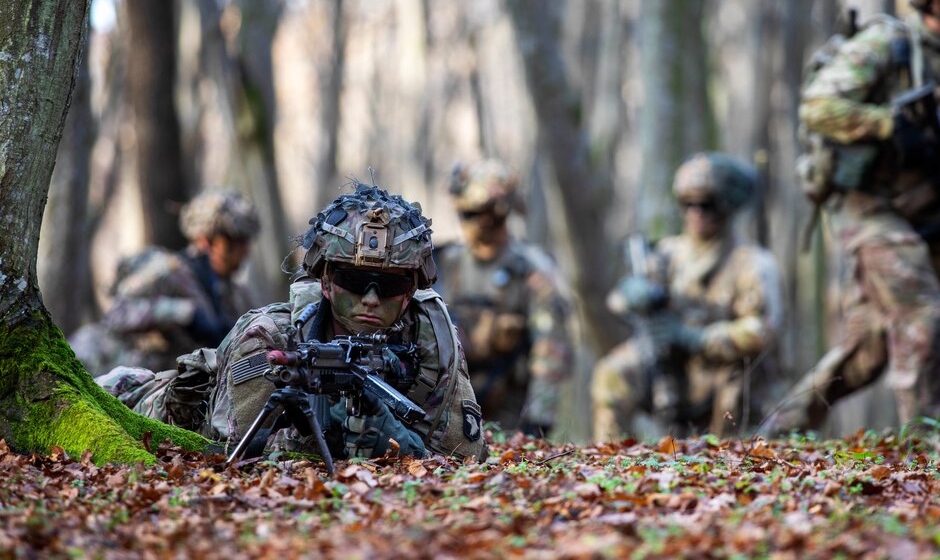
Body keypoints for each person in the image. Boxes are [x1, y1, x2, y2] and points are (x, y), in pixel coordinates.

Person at [765, 0, 940, 434]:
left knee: (869, 350)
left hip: (926, 214)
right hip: (866, 203)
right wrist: (888, 125)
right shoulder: (888, 45)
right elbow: (818, 105)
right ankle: (930, 445)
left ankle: (776, 432)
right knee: (924, 315)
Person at [99, 182, 487, 462]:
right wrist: (336, 427)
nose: (370, 298)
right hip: (158, 406)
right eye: (353, 280)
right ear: (326, 282)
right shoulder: (271, 336)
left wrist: (394, 438)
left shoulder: (433, 340)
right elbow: (236, 453)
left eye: (390, 285)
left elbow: (465, 458)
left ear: (411, 290)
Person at [591, 152, 784, 440]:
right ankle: (609, 464)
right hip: (670, 370)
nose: (696, 213)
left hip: (724, 376)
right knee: (611, 373)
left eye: (706, 205)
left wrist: (696, 338)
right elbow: (618, 301)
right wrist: (632, 294)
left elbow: (761, 330)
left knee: (734, 394)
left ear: (726, 206)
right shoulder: (668, 254)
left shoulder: (752, 263)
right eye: (688, 204)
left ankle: (727, 466)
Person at [434, 160, 572, 437]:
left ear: (499, 213)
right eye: (464, 214)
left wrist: (538, 419)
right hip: (444, 405)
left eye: (475, 213)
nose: (469, 222)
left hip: (508, 410)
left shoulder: (531, 269)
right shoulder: (444, 262)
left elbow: (552, 344)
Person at [71, 187, 261, 375]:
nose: (244, 251)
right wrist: (184, 313)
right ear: (205, 240)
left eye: (245, 242)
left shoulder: (235, 294)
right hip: (114, 372)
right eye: (233, 242)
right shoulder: (168, 271)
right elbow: (117, 314)